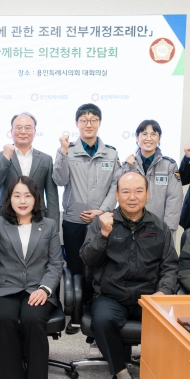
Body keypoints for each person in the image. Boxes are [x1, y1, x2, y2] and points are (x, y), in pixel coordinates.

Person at [80, 172, 178, 379]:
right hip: (112, 295)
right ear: (116, 195)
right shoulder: (102, 223)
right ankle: (124, 378)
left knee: (173, 324)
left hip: (149, 296)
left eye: (138, 191)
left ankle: (160, 377)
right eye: (125, 191)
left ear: (148, 194)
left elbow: (170, 266)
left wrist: (164, 291)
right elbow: (87, 259)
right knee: (102, 320)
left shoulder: (159, 227)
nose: (132, 197)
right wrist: (103, 234)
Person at [0, 176, 63, 379]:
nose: (22, 200)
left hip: (37, 288)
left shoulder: (49, 225)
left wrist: (45, 289)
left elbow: (55, 264)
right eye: (17, 195)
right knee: (4, 319)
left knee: (33, 319)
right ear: (9, 199)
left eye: (27, 195)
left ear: (36, 199)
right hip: (4, 288)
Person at [53, 103, 120, 334]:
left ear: (99, 123)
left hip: (102, 221)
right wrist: (63, 152)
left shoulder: (111, 153)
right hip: (74, 219)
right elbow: (59, 180)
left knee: (99, 267)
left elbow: (116, 185)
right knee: (76, 267)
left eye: (93, 120)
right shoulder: (67, 150)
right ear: (77, 123)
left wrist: (102, 210)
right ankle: (76, 314)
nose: (88, 124)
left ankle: (94, 310)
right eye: (84, 120)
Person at [0, 112, 59, 221]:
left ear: (35, 131)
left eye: (28, 128)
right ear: (11, 131)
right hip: (7, 216)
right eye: (19, 127)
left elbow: (52, 196)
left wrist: (54, 225)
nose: (23, 131)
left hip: (37, 217)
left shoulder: (46, 159)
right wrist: (6, 158)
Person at [122, 119, 182, 235]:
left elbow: (174, 199)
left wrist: (167, 230)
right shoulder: (127, 165)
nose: (148, 138)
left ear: (159, 138)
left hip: (160, 228)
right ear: (137, 137)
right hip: (132, 227)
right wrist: (131, 168)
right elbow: (124, 195)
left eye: (153, 134)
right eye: (144, 134)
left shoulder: (169, 165)